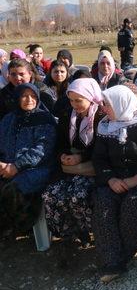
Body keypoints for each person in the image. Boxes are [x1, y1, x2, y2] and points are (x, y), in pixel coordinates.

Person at [92, 85, 137, 283]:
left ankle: (116, 260)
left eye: (107, 104)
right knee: (103, 202)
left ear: (120, 103)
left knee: (133, 204)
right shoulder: (105, 125)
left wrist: (136, 178)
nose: (103, 108)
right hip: (114, 179)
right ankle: (111, 261)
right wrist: (110, 179)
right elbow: (99, 159)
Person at [42, 78, 103, 268]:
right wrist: (63, 155)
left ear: (90, 98)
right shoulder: (68, 115)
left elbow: (102, 148)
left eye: (79, 100)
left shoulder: (101, 117)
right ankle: (69, 236)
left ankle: (90, 232)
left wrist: (81, 157)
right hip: (70, 167)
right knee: (51, 195)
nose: (74, 105)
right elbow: (60, 142)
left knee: (77, 196)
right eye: (71, 100)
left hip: (92, 168)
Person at [0, 84, 57, 239]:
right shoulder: (8, 119)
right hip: (7, 165)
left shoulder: (44, 119)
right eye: (24, 96)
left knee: (13, 189)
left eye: (33, 96)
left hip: (37, 168)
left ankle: (14, 227)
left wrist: (16, 166)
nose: (29, 100)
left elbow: (41, 150)